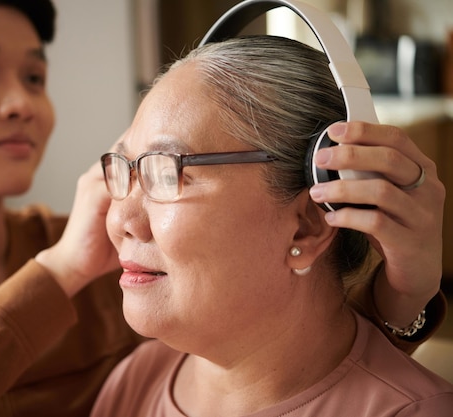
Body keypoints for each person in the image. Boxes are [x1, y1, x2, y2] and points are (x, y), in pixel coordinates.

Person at [0, 0, 446, 416]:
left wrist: (406, 295)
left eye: (36, 76)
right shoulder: (93, 267)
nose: (19, 102)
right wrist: (60, 270)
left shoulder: (128, 283)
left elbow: (293, 346)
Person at [90, 35, 453, 417]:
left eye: (166, 173)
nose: (119, 221)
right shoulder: (136, 379)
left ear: (305, 228)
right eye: (126, 170)